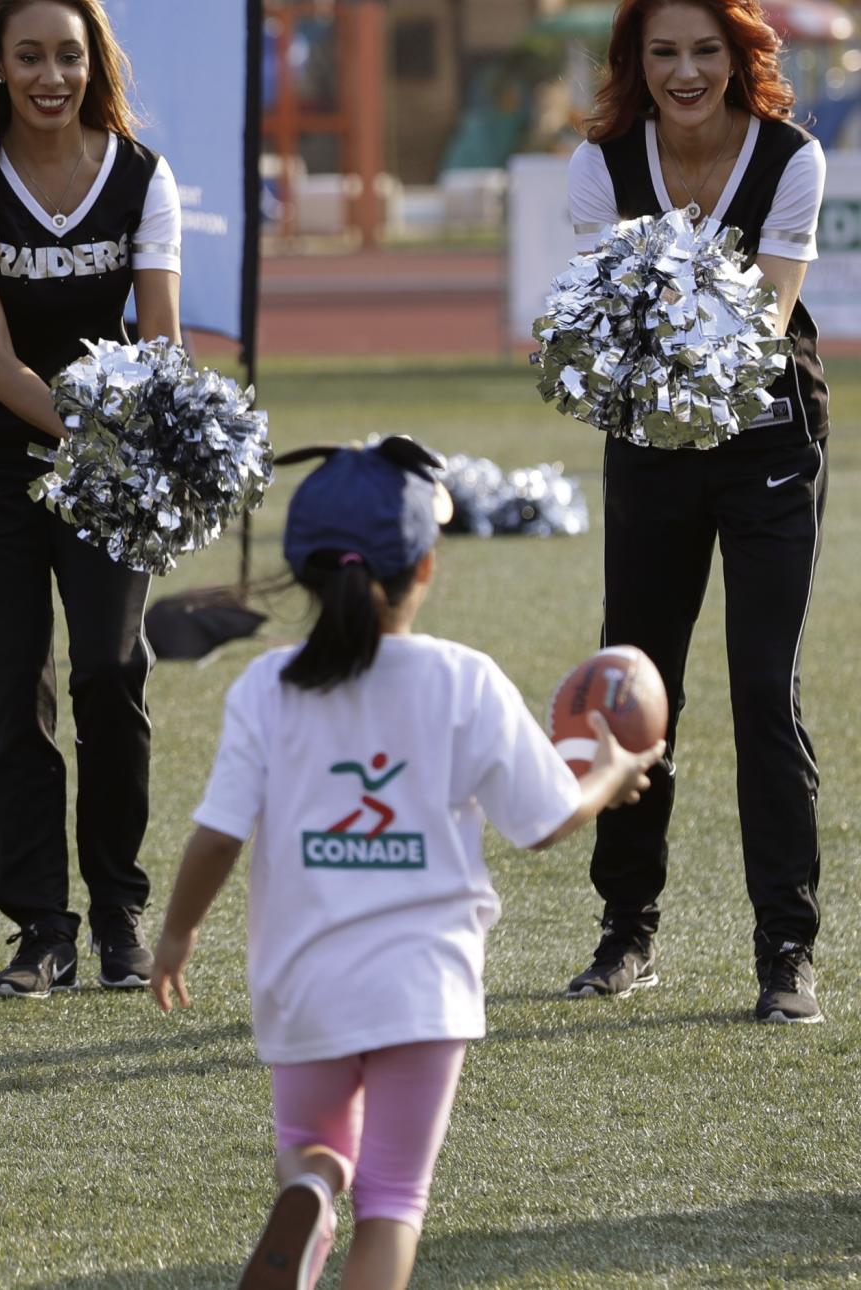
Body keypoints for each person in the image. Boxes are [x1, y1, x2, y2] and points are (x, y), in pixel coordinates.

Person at [150, 436, 664, 1290]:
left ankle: (312, 1187)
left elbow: (216, 834)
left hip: (302, 979)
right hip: (425, 991)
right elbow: (542, 823)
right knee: (393, 1200)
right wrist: (607, 776)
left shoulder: (266, 688)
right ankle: (329, 1199)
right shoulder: (464, 680)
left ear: (305, 569)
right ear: (427, 567)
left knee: (312, 1151)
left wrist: (176, 935)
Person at [563, 0, 828, 1023]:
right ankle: (628, 930)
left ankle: (787, 948)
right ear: (636, 61)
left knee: (766, 692)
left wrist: (663, 324)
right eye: (662, 52)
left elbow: (760, 327)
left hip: (765, 445)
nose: (684, 72)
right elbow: (608, 323)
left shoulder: (793, 160)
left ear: (741, 57)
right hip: (653, 452)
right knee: (635, 687)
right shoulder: (602, 164)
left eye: (705, 52)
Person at [0, 0, 182, 997]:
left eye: (69, 54)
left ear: (96, 64)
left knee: (110, 674)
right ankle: (42, 927)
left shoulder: (142, 175)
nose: (50, 75)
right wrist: (100, 429)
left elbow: (159, 341)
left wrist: (140, 436)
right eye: (28, 55)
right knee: (12, 682)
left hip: (111, 468)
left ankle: (119, 916)